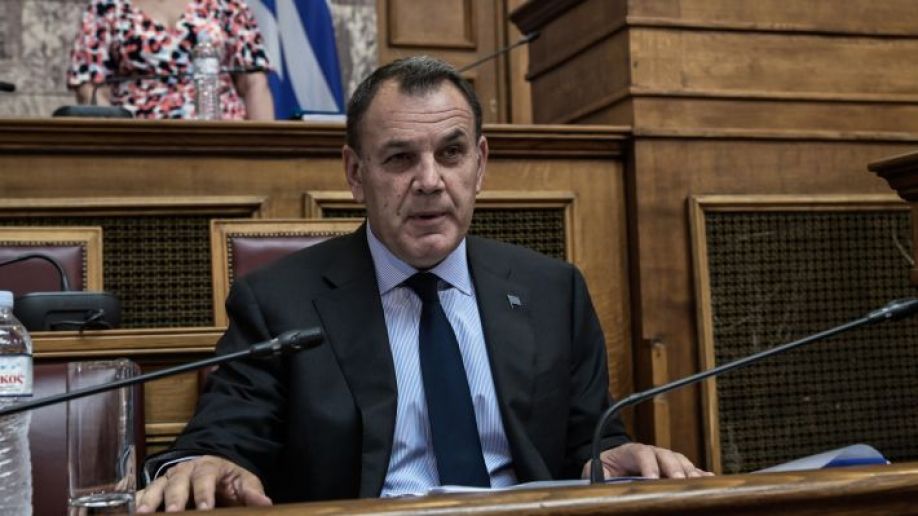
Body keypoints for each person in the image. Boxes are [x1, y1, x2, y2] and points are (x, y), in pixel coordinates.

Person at [136, 56, 708, 512]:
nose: (430, 181)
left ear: (479, 165)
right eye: (400, 158)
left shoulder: (552, 291)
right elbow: (224, 438)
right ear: (356, 174)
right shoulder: (279, 302)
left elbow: (588, 443)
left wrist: (611, 459)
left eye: (451, 153)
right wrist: (206, 464)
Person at [66, 0, 274, 120]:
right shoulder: (107, 6)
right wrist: (116, 142)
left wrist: (264, 156)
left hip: (221, 137)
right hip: (138, 142)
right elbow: (89, 86)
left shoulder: (227, 4)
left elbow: (254, 84)